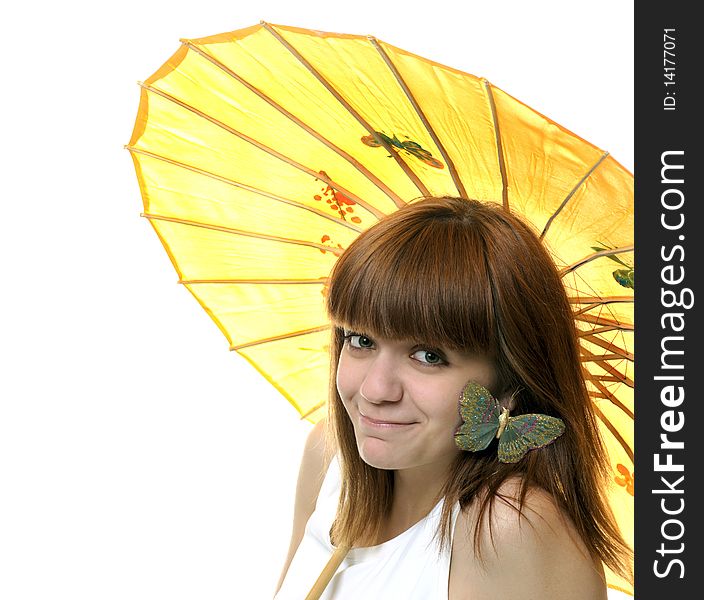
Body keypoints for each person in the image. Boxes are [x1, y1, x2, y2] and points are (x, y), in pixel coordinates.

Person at [274, 196, 633, 599]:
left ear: (509, 386)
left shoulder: (507, 527)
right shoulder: (329, 456)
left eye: (429, 356)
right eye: (361, 340)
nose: (375, 389)